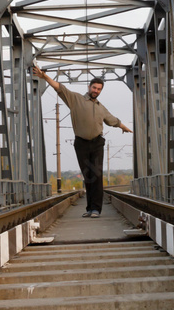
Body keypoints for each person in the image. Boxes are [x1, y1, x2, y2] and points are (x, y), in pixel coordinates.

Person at [32, 66, 132, 217]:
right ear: (89, 87)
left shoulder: (101, 107)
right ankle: (90, 208)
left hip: (97, 143)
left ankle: (96, 209)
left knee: (96, 175)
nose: (96, 91)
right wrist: (44, 76)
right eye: (94, 87)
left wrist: (124, 127)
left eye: (99, 89)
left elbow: (113, 120)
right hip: (81, 143)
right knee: (88, 176)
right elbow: (60, 88)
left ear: (100, 91)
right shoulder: (76, 99)